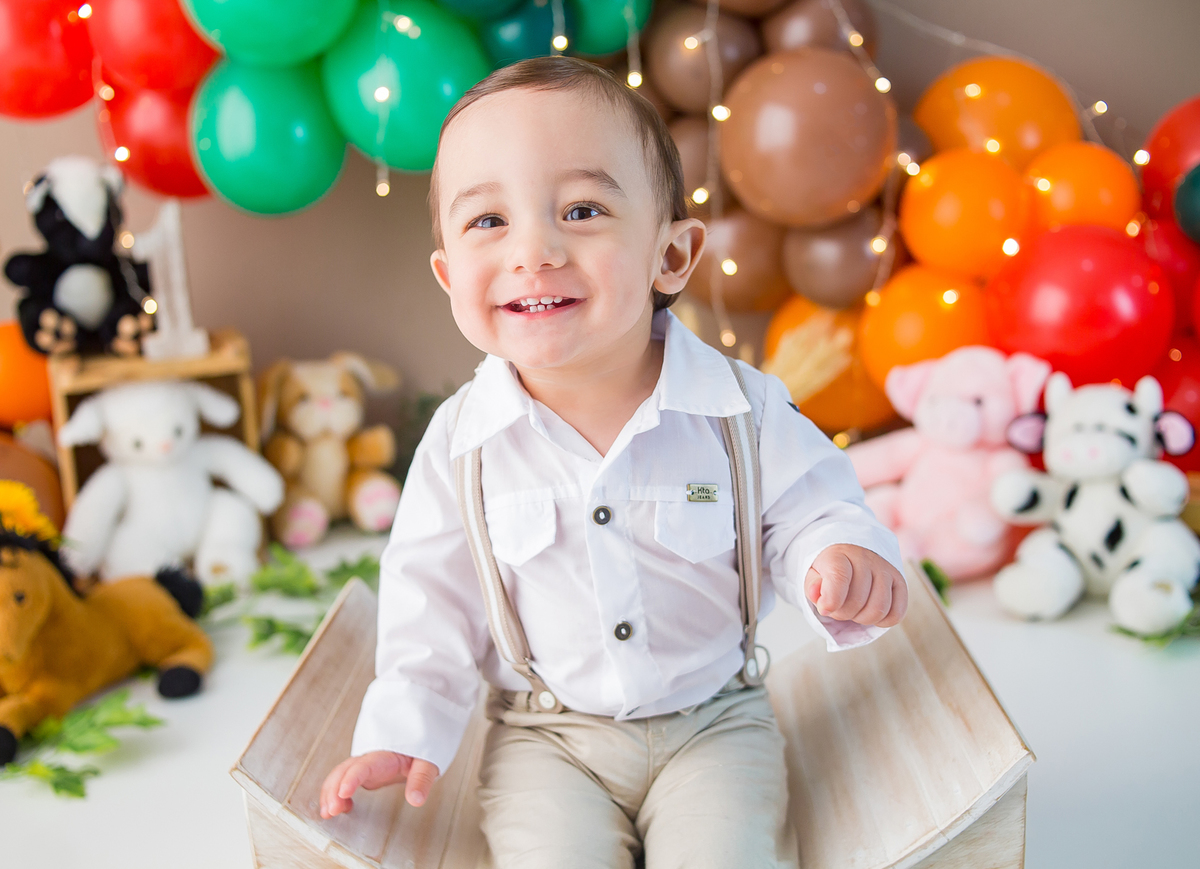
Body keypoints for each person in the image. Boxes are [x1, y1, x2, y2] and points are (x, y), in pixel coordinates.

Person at [319, 55, 906, 868]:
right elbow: (430, 602)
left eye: (582, 209)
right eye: (488, 221)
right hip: (547, 739)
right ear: (450, 276)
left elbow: (811, 505)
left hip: (714, 722)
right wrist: (401, 730)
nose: (534, 249)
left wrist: (836, 554)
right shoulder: (463, 443)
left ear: (672, 256)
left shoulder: (740, 409)